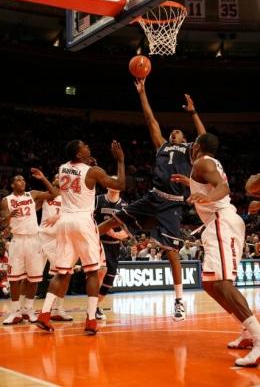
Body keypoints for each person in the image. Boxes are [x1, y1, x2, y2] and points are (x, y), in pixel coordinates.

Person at [98, 78, 206, 321]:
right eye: (172, 131)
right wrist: (142, 93)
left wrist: (193, 113)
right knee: (113, 220)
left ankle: (179, 301)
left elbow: (205, 138)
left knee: (171, 252)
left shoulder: (190, 150)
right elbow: (150, 120)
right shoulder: (162, 146)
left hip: (173, 203)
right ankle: (87, 243)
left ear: (185, 138)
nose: (173, 132)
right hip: (153, 197)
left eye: (177, 131)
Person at [173, 132, 260, 367]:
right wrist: (189, 183)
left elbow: (223, 187)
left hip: (222, 221)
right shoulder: (206, 163)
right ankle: (247, 330)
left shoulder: (203, 162)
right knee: (211, 284)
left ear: (198, 147)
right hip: (216, 223)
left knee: (222, 283)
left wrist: (207, 197)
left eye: (193, 144)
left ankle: (258, 336)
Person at [36, 140, 125, 335]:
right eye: (84, 145)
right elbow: (120, 184)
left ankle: (44, 314)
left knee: (61, 272)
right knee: (93, 272)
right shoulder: (92, 171)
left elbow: (79, 174)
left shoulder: (63, 167)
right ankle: (91, 319)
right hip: (83, 222)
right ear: (78, 154)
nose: (88, 146)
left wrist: (90, 164)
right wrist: (120, 160)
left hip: (65, 222)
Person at [1, 170, 58, 325]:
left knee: (34, 278)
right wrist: (9, 216)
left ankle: (28, 309)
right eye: (18, 180)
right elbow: (3, 224)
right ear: (13, 184)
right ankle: (15, 312)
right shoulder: (7, 200)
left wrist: (43, 178)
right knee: (14, 279)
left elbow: (54, 194)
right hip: (17, 241)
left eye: (23, 179)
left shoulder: (32, 194)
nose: (22, 181)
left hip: (34, 240)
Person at [38, 174, 73, 321]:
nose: (59, 177)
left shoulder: (70, 198)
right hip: (40, 237)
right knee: (30, 276)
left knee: (63, 274)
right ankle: (21, 309)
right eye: (57, 176)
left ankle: (58, 308)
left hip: (58, 239)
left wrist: (58, 217)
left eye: (62, 176)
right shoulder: (46, 195)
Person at [94, 177, 128, 320]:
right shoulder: (97, 200)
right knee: (101, 272)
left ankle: (95, 305)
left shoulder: (125, 206)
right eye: (111, 182)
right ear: (107, 185)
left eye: (117, 182)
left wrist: (116, 234)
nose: (114, 185)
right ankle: (92, 308)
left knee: (109, 281)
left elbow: (128, 230)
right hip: (98, 242)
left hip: (114, 246)